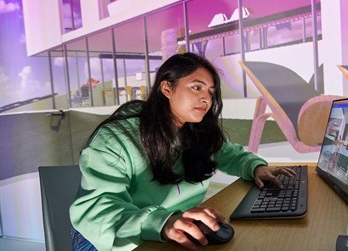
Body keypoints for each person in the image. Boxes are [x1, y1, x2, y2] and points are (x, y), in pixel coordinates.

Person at [69, 52, 295, 251]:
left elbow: (228, 153)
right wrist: (162, 222)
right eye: (196, 87)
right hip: (106, 240)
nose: (206, 98)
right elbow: (98, 210)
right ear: (167, 88)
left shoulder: (197, 130)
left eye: (211, 92)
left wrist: (256, 167)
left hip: (172, 229)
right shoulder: (116, 138)